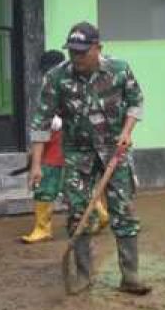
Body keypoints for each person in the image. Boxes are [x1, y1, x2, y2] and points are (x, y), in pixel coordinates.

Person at [29, 22, 149, 295]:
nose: (77, 58)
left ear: (98, 48)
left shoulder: (119, 70)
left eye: (83, 52)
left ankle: (130, 276)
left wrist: (127, 132)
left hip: (114, 151)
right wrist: (36, 165)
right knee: (78, 214)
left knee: (124, 212)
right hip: (78, 153)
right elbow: (41, 122)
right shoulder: (57, 77)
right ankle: (83, 275)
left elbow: (136, 101)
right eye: (72, 52)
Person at [21, 51, 109, 244]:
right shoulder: (56, 83)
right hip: (61, 145)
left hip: (64, 146)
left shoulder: (69, 83)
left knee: (55, 186)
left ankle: (44, 228)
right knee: (69, 186)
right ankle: (98, 215)